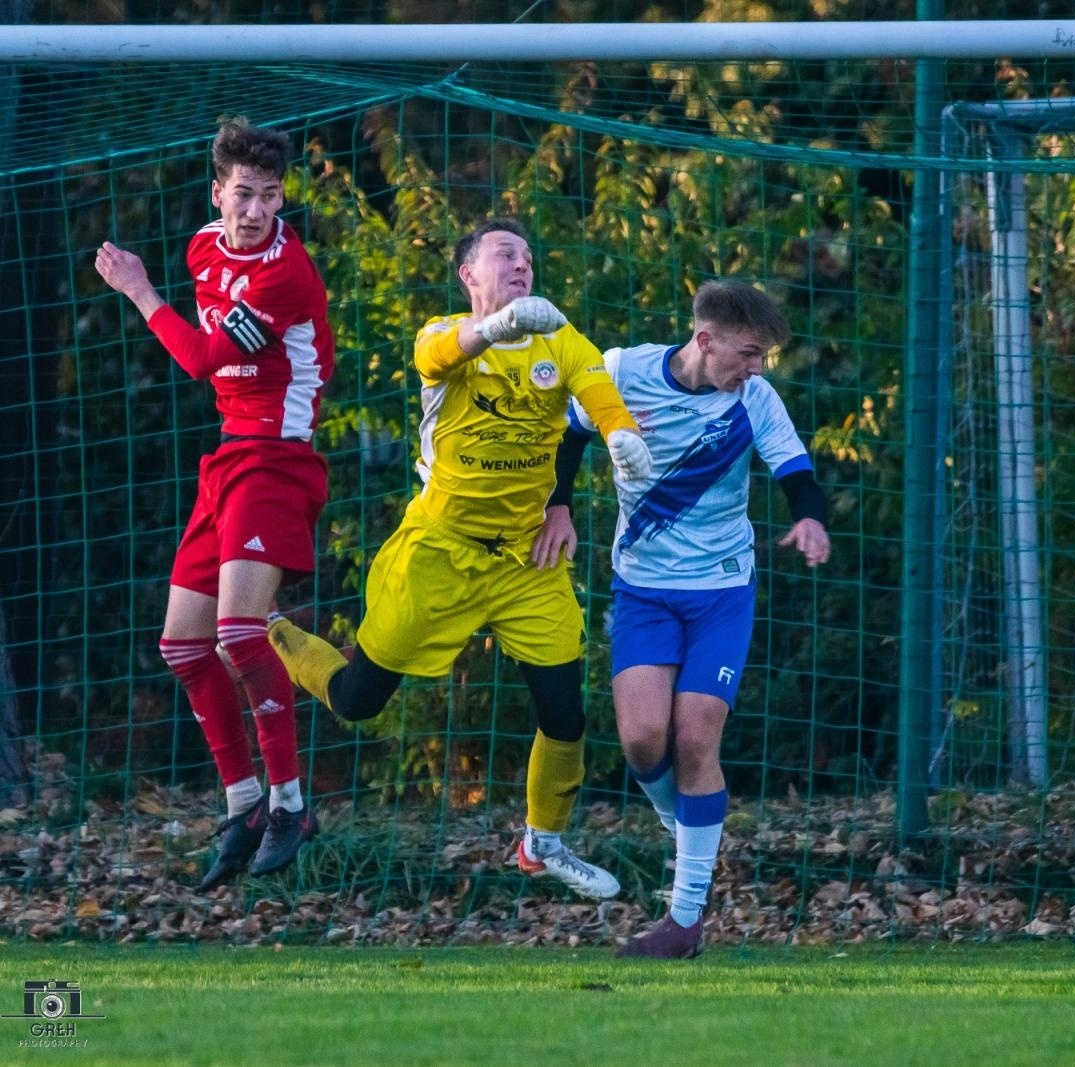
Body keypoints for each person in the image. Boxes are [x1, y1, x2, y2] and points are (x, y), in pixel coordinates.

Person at [266, 218, 652, 900]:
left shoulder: (561, 340)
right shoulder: (444, 336)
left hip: (526, 559)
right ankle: (275, 633)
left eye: (530, 254)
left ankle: (543, 844)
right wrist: (498, 327)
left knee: (566, 713)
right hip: (440, 554)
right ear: (469, 274)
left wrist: (623, 437)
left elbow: (599, 393)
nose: (522, 263)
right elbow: (444, 350)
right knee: (359, 700)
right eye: (506, 253)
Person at [94, 117, 334, 889]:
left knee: (238, 632)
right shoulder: (204, 247)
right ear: (217, 194)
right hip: (231, 456)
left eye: (269, 196)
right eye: (243, 194)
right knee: (182, 645)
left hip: (278, 459)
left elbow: (199, 359)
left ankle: (292, 801)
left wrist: (137, 289)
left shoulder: (284, 275)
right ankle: (243, 803)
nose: (256, 209)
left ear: (283, 199)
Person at [556, 280, 830, 957]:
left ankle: (683, 919)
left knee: (694, 735)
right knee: (643, 738)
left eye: (764, 356)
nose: (757, 367)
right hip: (644, 589)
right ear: (704, 342)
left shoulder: (755, 400)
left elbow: (795, 468)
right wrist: (556, 505)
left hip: (721, 592)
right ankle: (689, 833)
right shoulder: (620, 371)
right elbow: (568, 432)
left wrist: (811, 516)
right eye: (748, 353)